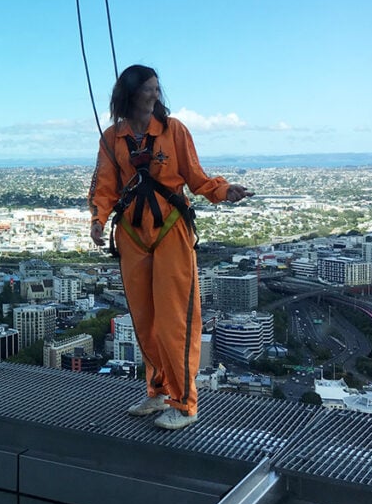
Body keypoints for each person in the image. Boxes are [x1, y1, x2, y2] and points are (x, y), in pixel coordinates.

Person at [88, 65, 252, 430]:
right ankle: (158, 390)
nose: (155, 95)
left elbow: (195, 177)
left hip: (170, 231)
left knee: (175, 320)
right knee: (145, 321)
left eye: (157, 89)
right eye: (148, 89)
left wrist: (224, 191)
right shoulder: (113, 139)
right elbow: (104, 186)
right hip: (132, 233)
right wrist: (98, 219)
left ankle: (184, 402)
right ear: (130, 94)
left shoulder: (173, 130)